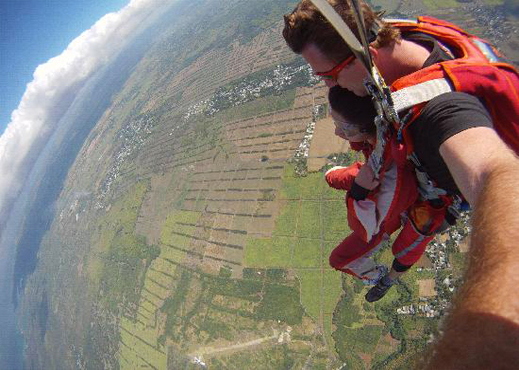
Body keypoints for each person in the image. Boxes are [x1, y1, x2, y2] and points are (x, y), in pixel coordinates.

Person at [282, 0, 519, 365]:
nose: (331, 85)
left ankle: (389, 275)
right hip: (423, 175)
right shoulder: (408, 40)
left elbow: (494, 174)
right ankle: (389, 274)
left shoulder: (441, 115)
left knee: (412, 236)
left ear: (363, 52)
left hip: (435, 200)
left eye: (329, 75)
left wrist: (481, 351)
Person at [325, 86, 450, 302]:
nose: (337, 133)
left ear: (365, 128)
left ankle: (380, 277)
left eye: (344, 129)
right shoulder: (384, 137)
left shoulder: (385, 168)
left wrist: (358, 190)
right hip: (401, 199)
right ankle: (379, 277)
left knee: (402, 246)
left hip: (422, 206)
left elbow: (366, 228)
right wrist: (338, 178)